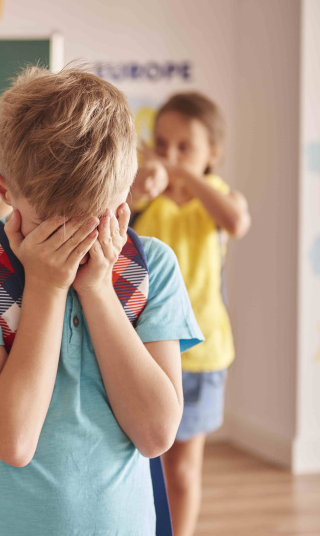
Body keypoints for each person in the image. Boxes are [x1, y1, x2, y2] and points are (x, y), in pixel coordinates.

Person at [0, 67, 204, 535]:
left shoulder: (154, 267)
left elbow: (155, 435)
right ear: (4, 191)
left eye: (94, 220)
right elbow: (14, 440)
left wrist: (97, 289)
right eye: (53, 224)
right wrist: (46, 289)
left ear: (126, 191)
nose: (77, 241)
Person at [130, 92, 251, 536]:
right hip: (142, 350)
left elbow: (237, 223)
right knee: (143, 465)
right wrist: (142, 184)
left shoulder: (219, 197)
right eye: (162, 144)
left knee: (182, 470)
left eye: (186, 147)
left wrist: (185, 175)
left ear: (213, 153)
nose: (172, 155)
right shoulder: (143, 197)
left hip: (200, 353)